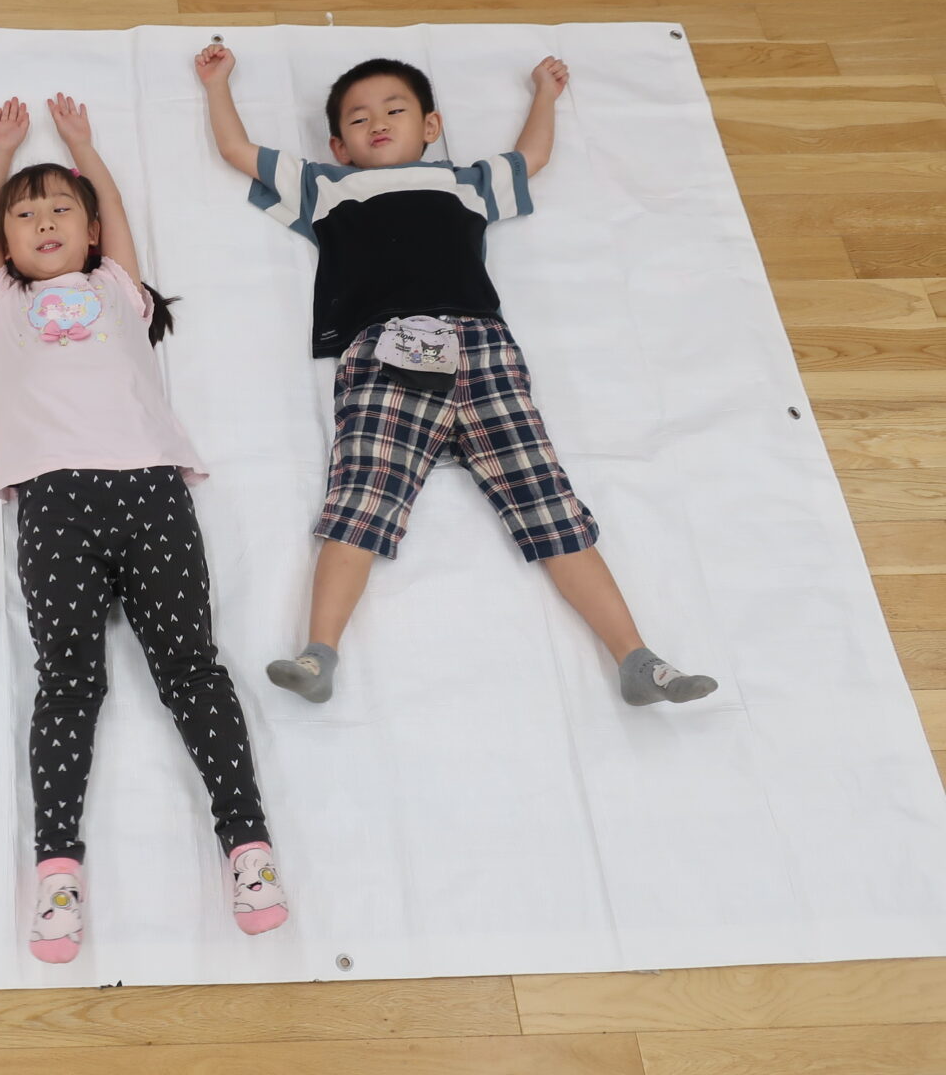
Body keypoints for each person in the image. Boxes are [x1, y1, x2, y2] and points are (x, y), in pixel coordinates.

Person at [196, 43, 716, 709]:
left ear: (431, 126)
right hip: (387, 350)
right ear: (338, 145)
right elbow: (237, 150)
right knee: (361, 497)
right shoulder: (326, 185)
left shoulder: (464, 181)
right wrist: (217, 84)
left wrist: (545, 95)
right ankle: (318, 653)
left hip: (484, 346)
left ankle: (638, 659)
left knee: (548, 501)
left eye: (395, 110)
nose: (377, 122)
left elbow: (532, 156)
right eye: (358, 118)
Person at [0, 93, 289, 964]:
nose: (43, 222)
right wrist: (0, 156)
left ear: (92, 232)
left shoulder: (114, 289)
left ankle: (249, 849)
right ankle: (56, 874)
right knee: (68, 683)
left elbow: (115, 207)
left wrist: (83, 145)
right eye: (26, 216)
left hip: (151, 491)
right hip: (54, 504)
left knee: (193, 669)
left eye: (61, 209)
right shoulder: (0, 302)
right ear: (6, 242)